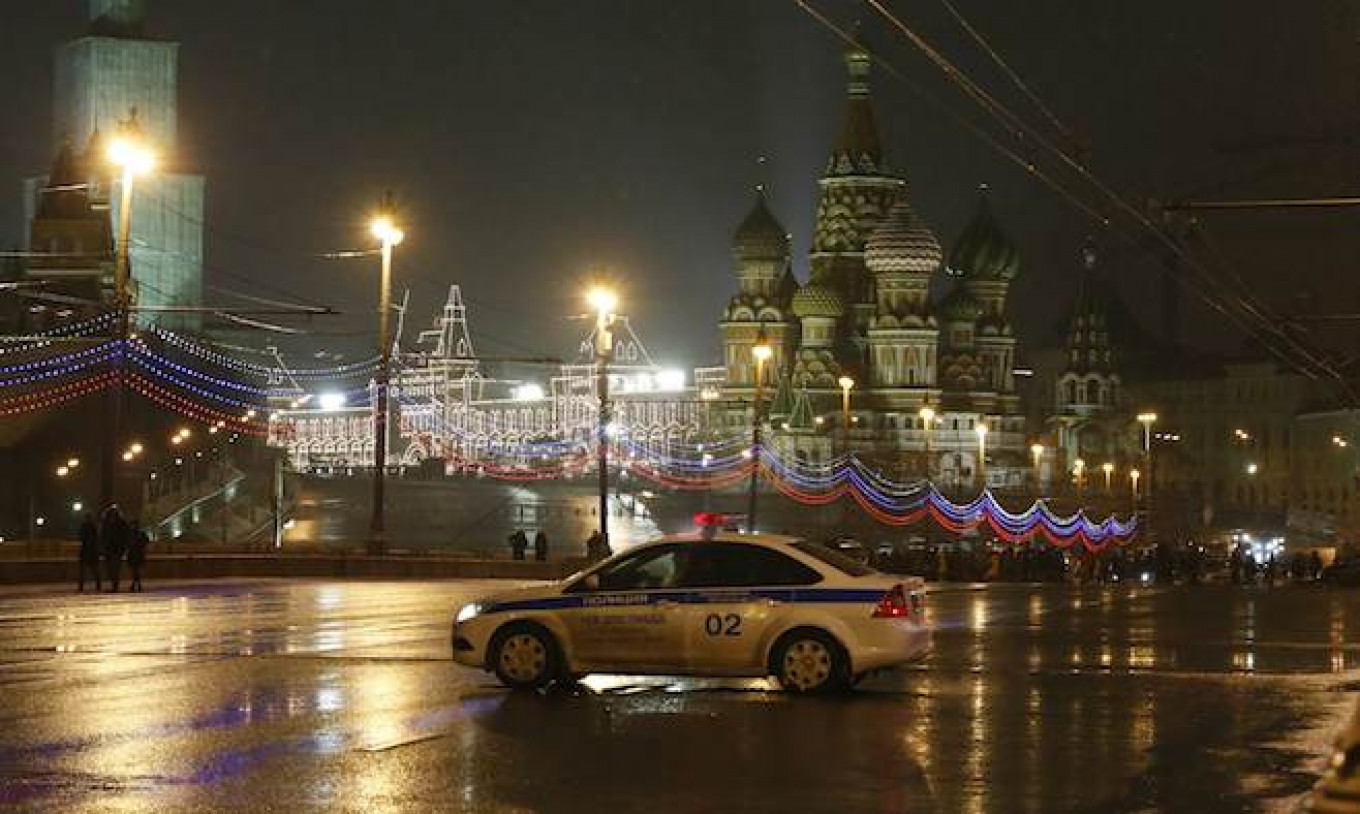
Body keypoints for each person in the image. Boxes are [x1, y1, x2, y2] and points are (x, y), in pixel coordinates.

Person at [100, 506, 129, 592]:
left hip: (116, 549)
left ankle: (115, 586)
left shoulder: (121, 523)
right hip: (109, 549)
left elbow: (125, 535)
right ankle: (114, 584)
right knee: (109, 568)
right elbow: (102, 536)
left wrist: (123, 547)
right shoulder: (106, 523)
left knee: (115, 568)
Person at [76, 513, 101, 592]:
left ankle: (81, 586)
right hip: (92, 552)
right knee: (94, 570)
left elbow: (81, 537)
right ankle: (98, 584)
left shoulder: (85, 527)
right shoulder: (93, 527)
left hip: (87, 551)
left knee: (83, 571)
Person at [127, 519, 150, 593]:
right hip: (136, 554)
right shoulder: (139, 534)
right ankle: (137, 584)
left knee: (135, 570)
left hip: (135, 554)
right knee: (135, 570)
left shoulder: (132, 534)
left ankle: (135, 584)